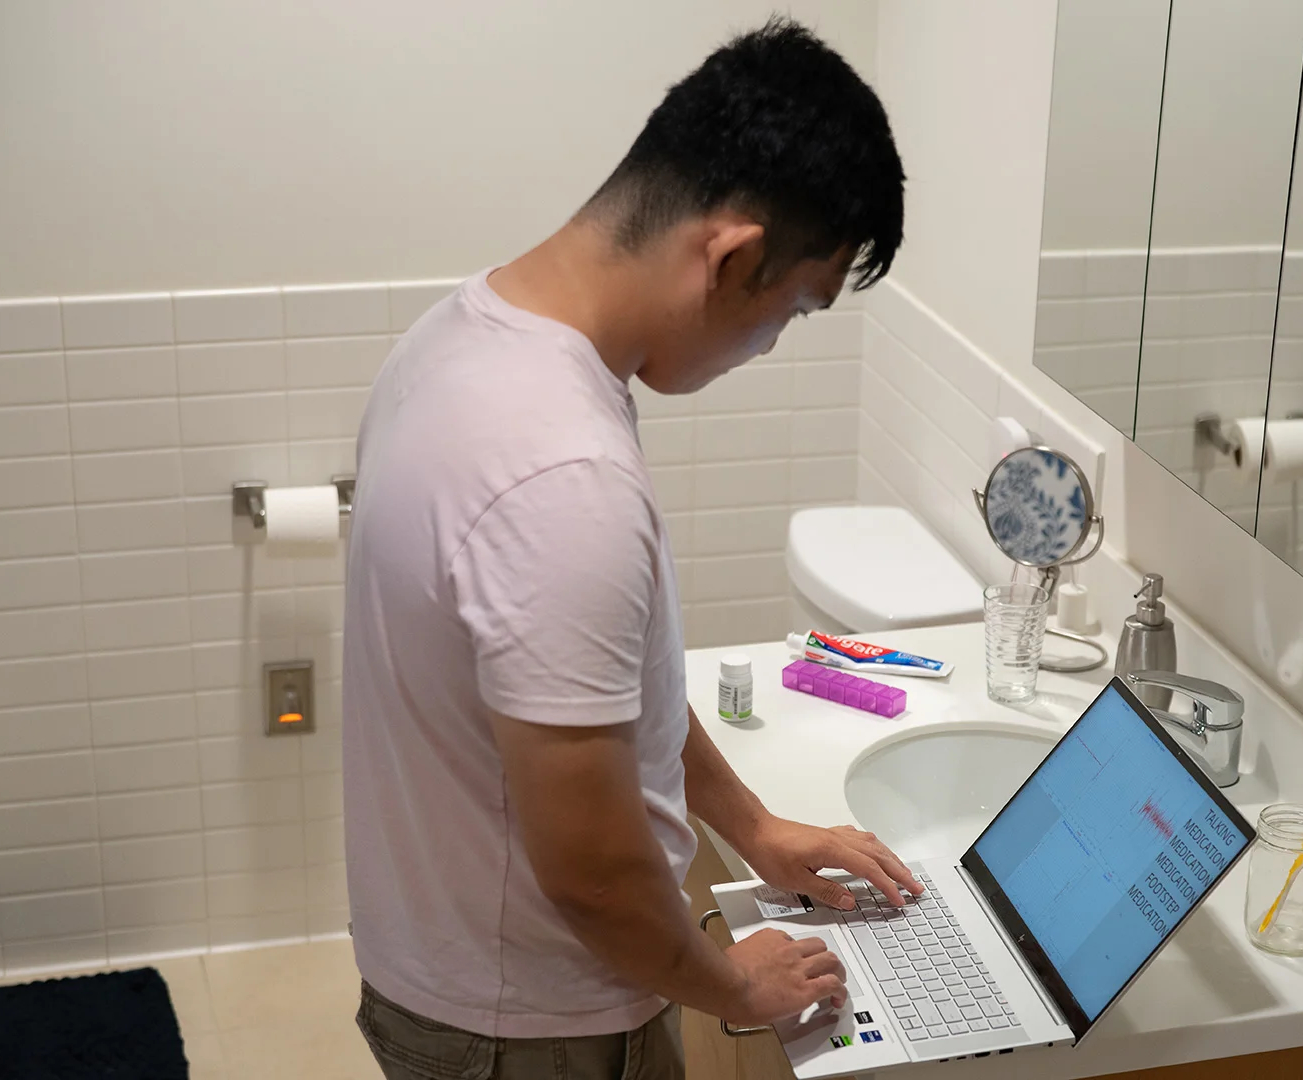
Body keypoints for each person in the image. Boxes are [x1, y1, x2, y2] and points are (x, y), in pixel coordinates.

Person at [341, 18, 915, 1080]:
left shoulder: (464, 339)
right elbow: (594, 871)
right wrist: (734, 981)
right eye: (793, 306)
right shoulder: (563, 475)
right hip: (528, 1028)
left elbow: (599, 695)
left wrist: (752, 823)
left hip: (453, 971)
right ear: (733, 254)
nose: (771, 344)